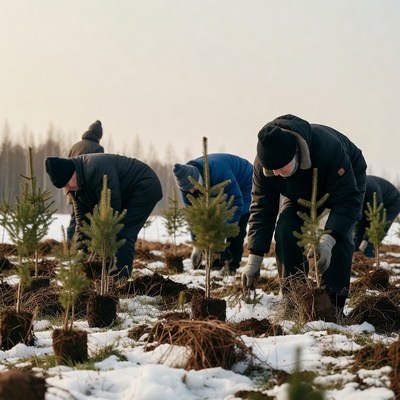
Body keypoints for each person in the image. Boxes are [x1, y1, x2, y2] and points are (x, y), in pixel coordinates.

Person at [241, 114, 367, 311]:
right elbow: (262, 209)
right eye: (271, 170)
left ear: (295, 153)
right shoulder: (266, 166)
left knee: (338, 236)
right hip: (298, 189)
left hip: (345, 179)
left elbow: (347, 202)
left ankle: (333, 302)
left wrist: (328, 240)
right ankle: (293, 296)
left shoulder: (329, 149)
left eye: (281, 168)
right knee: (286, 227)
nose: (276, 174)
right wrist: (254, 257)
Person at [45, 153, 163, 278]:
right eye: (64, 187)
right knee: (107, 232)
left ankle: (119, 279)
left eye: (67, 183)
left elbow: (111, 208)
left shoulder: (96, 169)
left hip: (144, 185)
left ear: (73, 172)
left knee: (122, 231)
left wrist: (99, 240)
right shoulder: (74, 187)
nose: (67, 189)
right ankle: (102, 275)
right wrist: (82, 250)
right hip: (125, 193)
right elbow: (82, 220)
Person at [173, 153, 253, 273]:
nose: (191, 191)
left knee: (236, 226)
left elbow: (236, 202)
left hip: (245, 181)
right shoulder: (186, 185)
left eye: (192, 187)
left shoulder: (218, 171)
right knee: (212, 220)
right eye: (187, 189)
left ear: (197, 179)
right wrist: (197, 244)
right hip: (222, 188)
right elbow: (194, 216)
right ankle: (215, 264)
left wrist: (224, 231)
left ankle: (230, 266)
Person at [66, 120, 104, 241]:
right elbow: (98, 170)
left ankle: (68, 244)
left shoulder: (75, 146)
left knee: (74, 216)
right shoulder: (98, 148)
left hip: (71, 186)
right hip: (86, 189)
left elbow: (66, 166)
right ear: (99, 135)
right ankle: (84, 245)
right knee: (87, 218)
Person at [353, 175, 400, 258]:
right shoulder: (353, 190)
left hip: (392, 203)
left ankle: (370, 259)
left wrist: (366, 240)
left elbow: (378, 217)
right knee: (359, 231)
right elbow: (359, 221)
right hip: (370, 202)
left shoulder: (371, 188)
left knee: (376, 231)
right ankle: (354, 255)